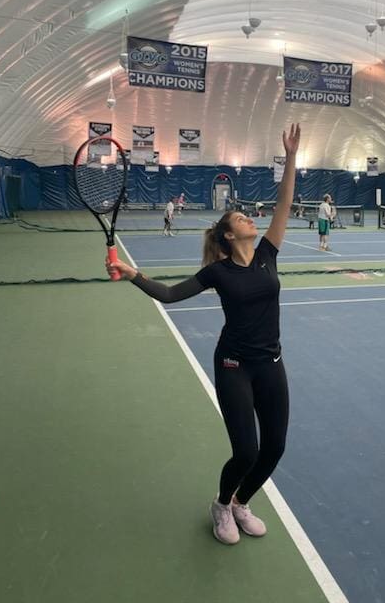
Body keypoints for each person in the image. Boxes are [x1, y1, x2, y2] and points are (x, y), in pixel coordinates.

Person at [106, 124, 301, 545]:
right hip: (234, 365)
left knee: (275, 447)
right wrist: (133, 274)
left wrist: (290, 158)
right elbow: (173, 294)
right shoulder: (218, 271)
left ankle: (240, 503)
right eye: (240, 218)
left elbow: (285, 202)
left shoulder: (268, 253)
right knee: (246, 451)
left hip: (271, 362)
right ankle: (221, 503)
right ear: (230, 235)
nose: (249, 217)